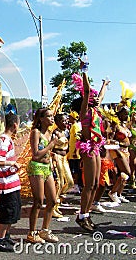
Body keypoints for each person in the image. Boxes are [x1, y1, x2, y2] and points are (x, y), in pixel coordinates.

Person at [71, 64, 109, 232]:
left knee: (95, 183)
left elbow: (100, 96)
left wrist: (104, 85)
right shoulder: (85, 111)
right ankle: (82, 215)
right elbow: (86, 91)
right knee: (88, 185)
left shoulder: (96, 110)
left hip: (95, 147)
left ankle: (86, 215)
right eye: (91, 97)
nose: (95, 98)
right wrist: (84, 72)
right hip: (88, 149)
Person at [26, 108, 59, 243]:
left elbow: (45, 154)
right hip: (36, 168)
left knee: (52, 200)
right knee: (38, 201)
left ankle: (44, 230)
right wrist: (51, 145)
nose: (52, 118)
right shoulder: (36, 132)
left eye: (52, 116)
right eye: (49, 116)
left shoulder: (50, 133)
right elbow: (35, 155)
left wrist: (52, 157)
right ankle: (32, 233)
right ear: (41, 119)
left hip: (47, 168)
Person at [0, 112, 21, 252]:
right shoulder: (5, 140)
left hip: (11, 183)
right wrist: (12, 163)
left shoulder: (8, 140)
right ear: (15, 125)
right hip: (6, 184)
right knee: (7, 211)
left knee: (13, 211)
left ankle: (6, 236)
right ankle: (0, 240)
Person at [51, 113, 74, 218]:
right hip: (57, 157)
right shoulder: (54, 133)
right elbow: (50, 148)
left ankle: (59, 199)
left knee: (70, 182)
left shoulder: (66, 132)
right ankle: (53, 207)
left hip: (65, 159)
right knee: (60, 182)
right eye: (64, 121)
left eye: (67, 121)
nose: (66, 123)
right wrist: (52, 160)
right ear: (58, 122)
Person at [66, 111, 82, 194]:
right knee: (75, 168)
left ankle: (75, 186)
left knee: (75, 169)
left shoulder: (75, 126)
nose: (68, 118)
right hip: (73, 151)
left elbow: (78, 138)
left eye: (70, 117)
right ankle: (76, 185)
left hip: (74, 152)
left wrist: (76, 150)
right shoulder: (75, 125)